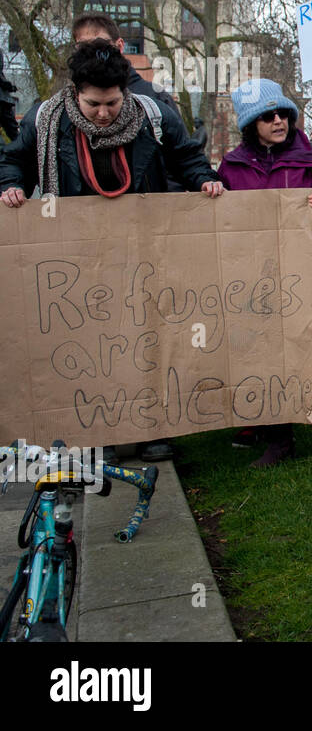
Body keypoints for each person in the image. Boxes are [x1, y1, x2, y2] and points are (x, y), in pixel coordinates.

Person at [0, 39, 223, 462]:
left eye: (112, 103)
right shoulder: (45, 119)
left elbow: (187, 157)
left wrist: (204, 180)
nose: (103, 113)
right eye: (93, 104)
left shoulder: (153, 116)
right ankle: (96, 428)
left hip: (142, 251)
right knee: (87, 345)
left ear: (126, 93)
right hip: (74, 256)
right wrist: (10, 185)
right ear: (75, 93)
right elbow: (13, 161)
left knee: (146, 338)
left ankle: (153, 429)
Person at [217, 79, 312, 470]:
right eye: (267, 116)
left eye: (283, 113)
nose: (278, 121)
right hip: (255, 276)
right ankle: (278, 441)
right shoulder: (232, 166)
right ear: (250, 124)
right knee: (266, 355)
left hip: (306, 272)